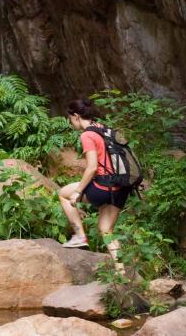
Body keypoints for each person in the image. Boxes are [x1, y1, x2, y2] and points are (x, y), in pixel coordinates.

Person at [56, 98, 132, 269]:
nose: (71, 124)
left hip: (103, 187)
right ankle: (122, 273)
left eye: (70, 120)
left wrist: (78, 192)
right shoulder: (105, 129)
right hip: (121, 188)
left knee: (63, 193)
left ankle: (79, 236)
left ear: (76, 116)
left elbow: (91, 168)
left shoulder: (87, 135)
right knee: (106, 229)